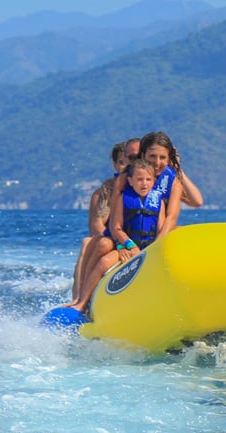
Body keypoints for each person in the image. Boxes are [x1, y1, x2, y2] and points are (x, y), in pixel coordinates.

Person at [68, 131, 186, 311]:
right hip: (125, 241)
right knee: (102, 249)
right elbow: (114, 220)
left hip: (152, 241)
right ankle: (82, 302)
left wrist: (155, 247)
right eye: (152, 156)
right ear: (143, 155)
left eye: (162, 157)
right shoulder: (125, 181)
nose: (157, 162)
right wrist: (124, 245)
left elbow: (170, 218)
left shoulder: (170, 186)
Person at [68, 139, 137, 302]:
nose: (124, 166)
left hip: (132, 240)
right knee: (87, 242)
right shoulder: (105, 191)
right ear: (115, 165)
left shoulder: (144, 184)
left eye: (129, 161)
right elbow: (97, 225)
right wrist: (119, 243)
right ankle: (79, 299)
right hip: (112, 240)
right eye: (121, 162)